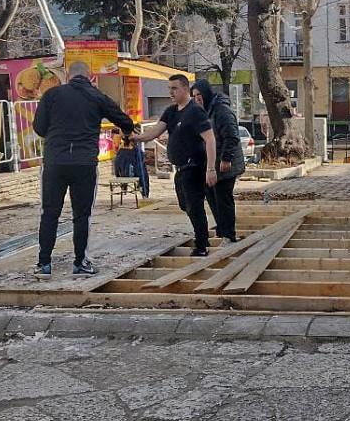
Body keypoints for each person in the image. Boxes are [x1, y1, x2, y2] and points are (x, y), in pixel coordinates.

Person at [33, 61, 135, 277]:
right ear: (89, 76)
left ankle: (44, 264)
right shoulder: (97, 96)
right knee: (82, 215)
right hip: (84, 163)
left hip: (55, 162)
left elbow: (39, 128)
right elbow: (125, 121)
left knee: (49, 213)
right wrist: (127, 133)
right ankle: (80, 263)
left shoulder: (51, 95)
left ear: (68, 75)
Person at [132, 74, 217, 256]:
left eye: (174, 88)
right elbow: (155, 131)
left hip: (194, 167)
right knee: (185, 205)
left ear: (185, 89)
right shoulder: (171, 111)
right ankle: (202, 238)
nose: (170, 92)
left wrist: (211, 169)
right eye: (169, 88)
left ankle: (202, 245)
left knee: (194, 206)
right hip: (180, 169)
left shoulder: (195, 111)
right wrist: (137, 137)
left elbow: (210, 139)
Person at [192, 79, 245, 245]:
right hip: (213, 164)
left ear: (206, 94)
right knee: (212, 196)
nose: (197, 98)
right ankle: (223, 231)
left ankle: (229, 235)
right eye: (194, 96)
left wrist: (226, 158)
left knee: (223, 198)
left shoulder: (221, 111)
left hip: (225, 164)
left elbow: (232, 136)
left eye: (199, 95)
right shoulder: (206, 111)